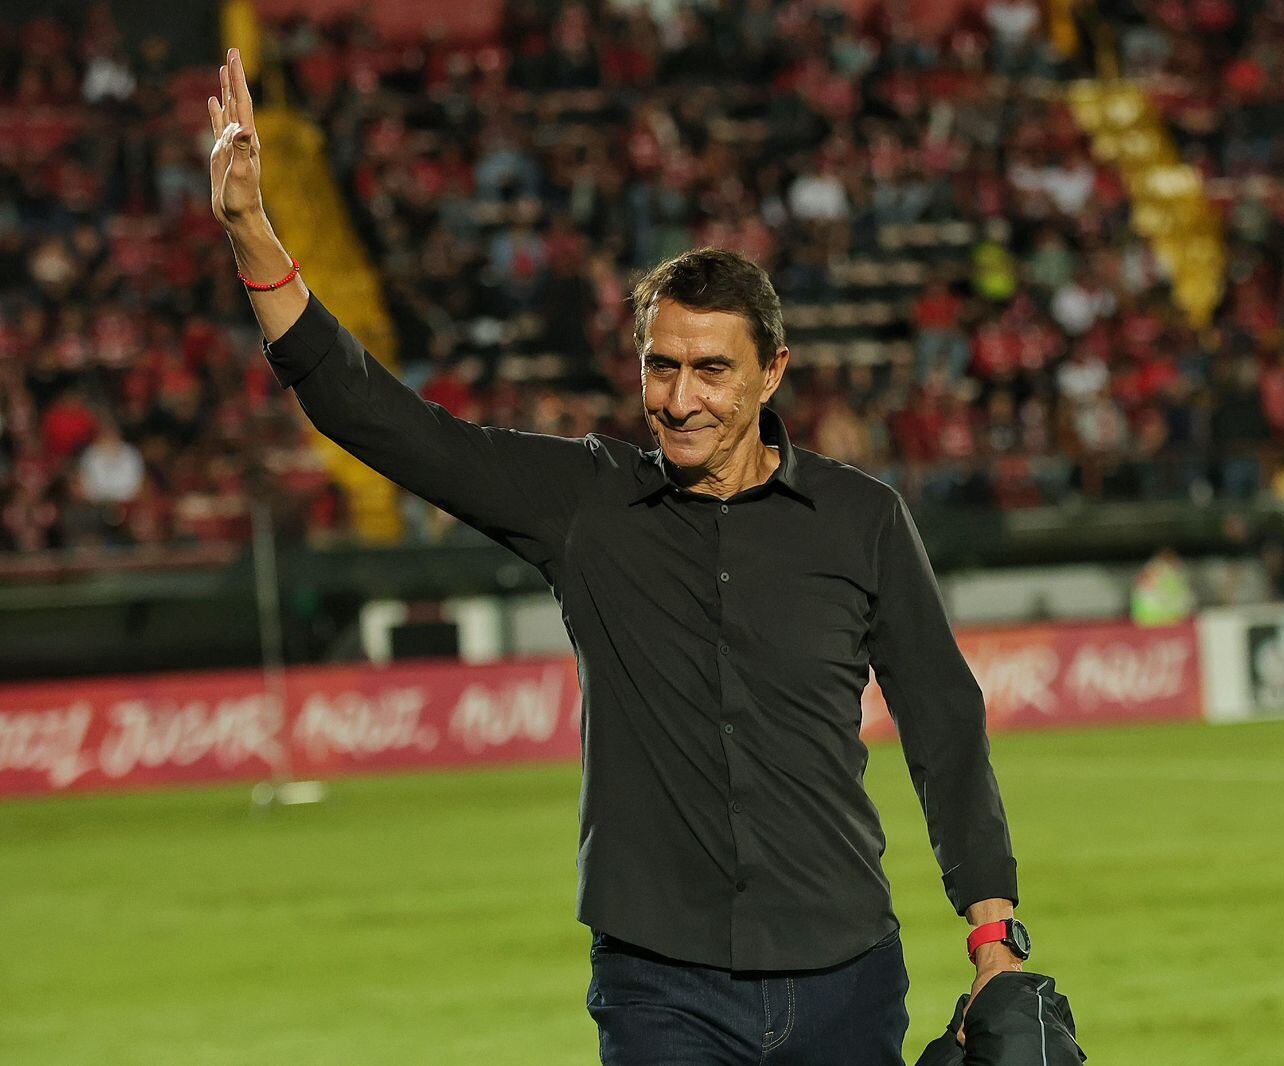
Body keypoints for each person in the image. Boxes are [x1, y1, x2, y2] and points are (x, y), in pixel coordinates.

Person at [205, 49, 1027, 1064]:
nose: (680, 398)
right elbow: (379, 419)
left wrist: (993, 935)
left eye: (712, 370)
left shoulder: (859, 518)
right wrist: (249, 226)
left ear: (772, 371)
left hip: (846, 976)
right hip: (660, 989)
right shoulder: (583, 504)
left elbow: (945, 722)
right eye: (661, 365)